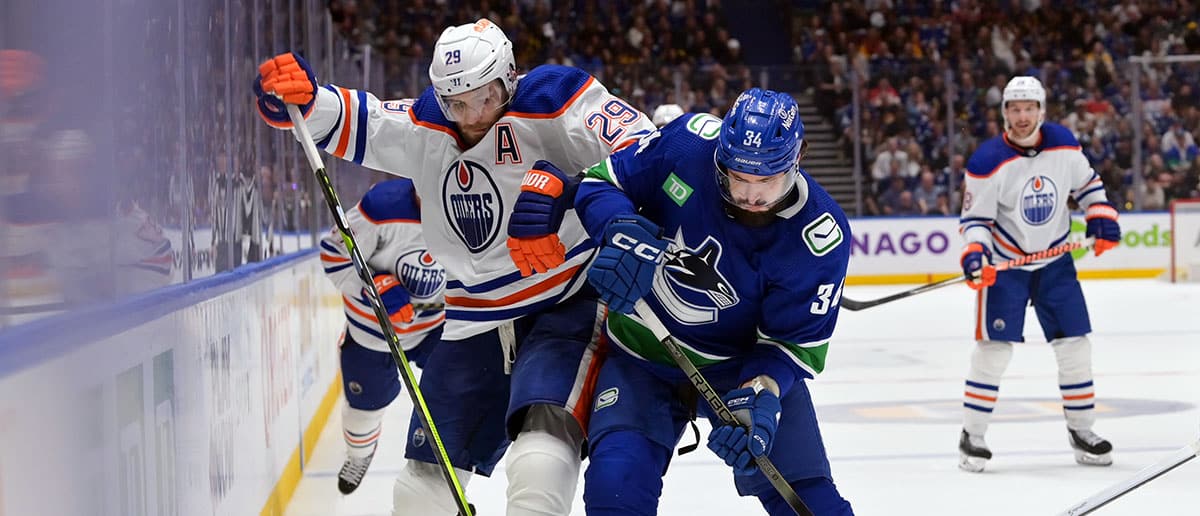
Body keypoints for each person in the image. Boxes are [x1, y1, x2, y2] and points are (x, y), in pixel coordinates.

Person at [253, 18, 656, 515]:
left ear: (509, 76)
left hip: (564, 299)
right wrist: (308, 104)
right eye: (457, 103)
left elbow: (645, 153)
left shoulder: (557, 98)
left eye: (486, 96)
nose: (474, 115)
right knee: (420, 489)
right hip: (471, 316)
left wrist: (571, 189)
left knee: (538, 461)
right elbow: (371, 120)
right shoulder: (428, 124)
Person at [516, 88, 855, 514]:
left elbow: (790, 346)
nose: (751, 194)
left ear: (798, 157)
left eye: (767, 180)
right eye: (739, 177)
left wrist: (761, 394)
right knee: (615, 489)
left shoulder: (820, 239)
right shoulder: (687, 143)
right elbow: (602, 182)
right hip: (641, 352)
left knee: (809, 501)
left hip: (737, 367)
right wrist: (619, 229)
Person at [957, 76, 1122, 473]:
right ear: (1005, 114)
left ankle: (1082, 431)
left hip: (1055, 264)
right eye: (1014, 108)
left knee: (1076, 349)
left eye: (1029, 108)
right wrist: (976, 251)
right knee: (993, 352)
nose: (1022, 116)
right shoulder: (987, 161)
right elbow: (975, 219)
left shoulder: (1064, 144)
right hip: (1006, 267)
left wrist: (1100, 214)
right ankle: (972, 436)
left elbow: (1088, 186)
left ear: (1041, 111)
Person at [318, 178, 445, 495]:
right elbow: (334, 255)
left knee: (457, 395)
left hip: (433, 326)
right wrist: (375, 289)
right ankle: (359, 455)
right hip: (371, 331)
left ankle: (447, 471)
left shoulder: (471, 207)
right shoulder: (381, 208)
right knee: (363, 413)